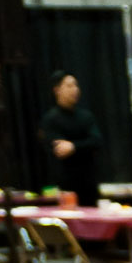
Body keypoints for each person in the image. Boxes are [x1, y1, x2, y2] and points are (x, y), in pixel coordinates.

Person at [37, 71, 104, 206]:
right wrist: (80, 146)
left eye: (76, 85)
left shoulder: (86, 116)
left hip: (89, 185)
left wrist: (73, 146)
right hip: (64, 186)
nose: (75, 90)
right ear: (57, 90)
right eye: (69, 86)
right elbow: (58, 149)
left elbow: (96, 141)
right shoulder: (50, 119)